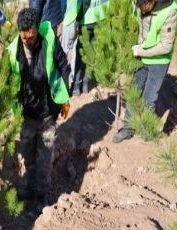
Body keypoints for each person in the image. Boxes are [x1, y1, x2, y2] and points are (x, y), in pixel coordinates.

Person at [6, 8, 71, 214]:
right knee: (27, 154)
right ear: (19, 32)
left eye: (31, 37)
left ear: (36, 31)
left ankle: (42, 193)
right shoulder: (12, 51)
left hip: (47, 112)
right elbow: (6, 83)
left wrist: (64, 96)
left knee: (45, 157)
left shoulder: (49, 39)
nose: (28, 41)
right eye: (24, 37)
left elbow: (63, 65)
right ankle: (29, 186)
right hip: (26, 113)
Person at [113, 0, 177, 143]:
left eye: (145, 6)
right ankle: (128, 128)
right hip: (140, 56)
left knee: (149, 98)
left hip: (159, 61)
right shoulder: (139, 3)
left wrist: (142, 51)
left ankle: (147, 129)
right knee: (133, 92)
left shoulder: (169, 12)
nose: (142, 10)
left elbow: (166, 46)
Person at [71, 0, 110, 96]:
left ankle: (76, 86)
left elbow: (86, 2)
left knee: (80, 54)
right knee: (92, 54)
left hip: (86, 19)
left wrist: (78, 19)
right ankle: (85, 85)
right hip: (101, 18)